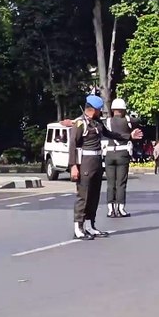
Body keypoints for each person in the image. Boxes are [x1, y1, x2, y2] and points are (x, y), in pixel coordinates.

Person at [61, 95, 143, 240]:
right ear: (92, 110)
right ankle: (78, 228)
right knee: (83, 197)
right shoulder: (80, 124)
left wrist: (129, 136)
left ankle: (90, 225)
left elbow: (111, 134)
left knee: (94, 196)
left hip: (97, 162)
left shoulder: (96, 123)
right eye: (99, 110)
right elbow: (73, 145)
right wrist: (73, 166)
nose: (101, 113)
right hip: (85, 162)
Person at [104, 99, 137, 218]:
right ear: (123, 110)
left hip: (109, 154)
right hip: (122, 154)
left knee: (110, 183)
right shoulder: (128, 120)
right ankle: (120, 208)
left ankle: (110, 209)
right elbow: (138, 120)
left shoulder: (107, 121)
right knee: (121, 183)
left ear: (112, 110)